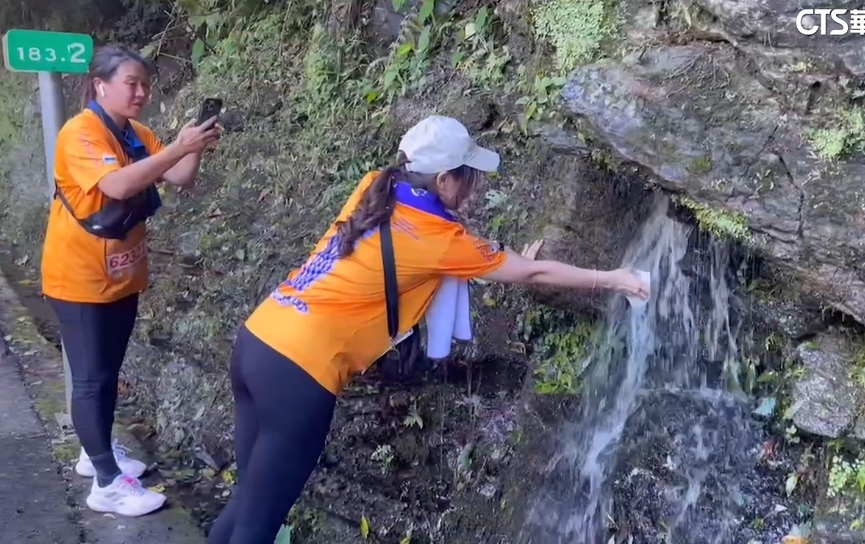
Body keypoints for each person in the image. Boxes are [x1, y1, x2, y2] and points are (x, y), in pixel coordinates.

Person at [206, 115, 650, 544]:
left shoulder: (375, 187)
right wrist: (610, 278)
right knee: (259, 524)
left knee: (248, 501)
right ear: (443, 181)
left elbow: (459, 248)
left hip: (259, 338)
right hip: (299, 371)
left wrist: (518, 259)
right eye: (469, 176)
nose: (476, 187)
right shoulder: (439, 240)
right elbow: (528, 275)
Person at [40, 45, 221, 517]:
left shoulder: (136, 132)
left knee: (107, 374)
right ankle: (105, 482)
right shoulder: (80, 132)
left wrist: (193, 148)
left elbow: (179, 175)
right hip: (79, 277)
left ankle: (92, 452)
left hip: (121, 274)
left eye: (145, 84)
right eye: (131, 83)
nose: (141, 92)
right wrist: (179, 148)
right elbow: (117, 185)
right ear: (100, 86)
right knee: (91, 380)